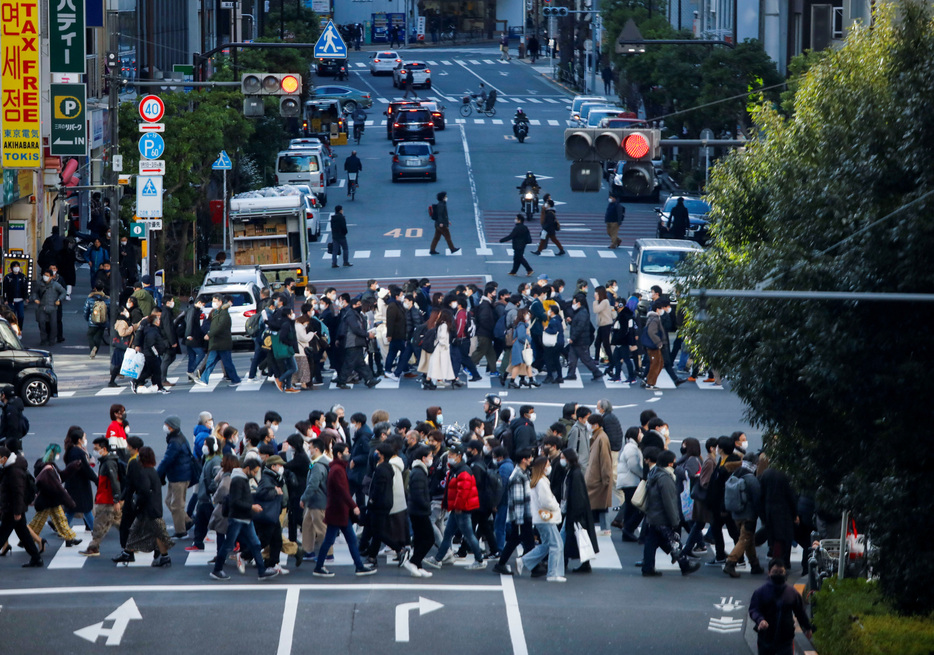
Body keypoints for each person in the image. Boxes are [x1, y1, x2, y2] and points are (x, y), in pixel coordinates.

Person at [209, 456, 279, 580]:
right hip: (237, 518)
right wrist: (252, 506)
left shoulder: (241, 478)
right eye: (255, 471)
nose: (255, 474)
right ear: (247, 468)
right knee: (229, 545)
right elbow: (235, 501)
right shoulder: (238, 481)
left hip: (245, 518)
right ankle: (217, 570)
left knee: (255, 544)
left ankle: (262, 571)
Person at [312, 442, 377, 577]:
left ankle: (359, 566)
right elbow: (342, 491)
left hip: (340, 512)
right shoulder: (337, 470)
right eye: (347, 452)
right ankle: (319, 567)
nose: (349, 454)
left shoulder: (338, 468)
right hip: (338, 512)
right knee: (330, 540)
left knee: (351, 539)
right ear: (339, 454)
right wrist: (354, 506)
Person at [423, 443, 487, 570]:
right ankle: (438, 559)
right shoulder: (456, 469)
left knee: (468, 535)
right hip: (456, 509)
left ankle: (479, 560)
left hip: (461, 509)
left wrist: (457, 508)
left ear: (459, 456)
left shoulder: (463, 472)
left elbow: (463, 493)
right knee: (448, 534)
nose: (449, 457)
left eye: (451, 455)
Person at [642, 450, 701, 577]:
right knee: (674, 542)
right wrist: (675, 520)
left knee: (652, 542)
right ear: (669, 463)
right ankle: (684, 564)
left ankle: (648, 567)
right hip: (662, 517)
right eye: (674, 462)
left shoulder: (654, 473)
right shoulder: (666, 479)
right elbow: (669, 502)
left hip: (653, 515)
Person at [515, 456, 565, 582]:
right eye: (547, 465)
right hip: (547, 518)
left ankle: (523, 560)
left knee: (547, 545)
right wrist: (556, 505)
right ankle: (553, 573)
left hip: (541, 518)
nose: (549, 467)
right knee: (556, 545)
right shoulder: (541, 482)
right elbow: (546, 501)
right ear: (542, 467)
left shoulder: (537, 481)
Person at [749, 559, 813, 655]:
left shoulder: (792, 593)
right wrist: (760, 620)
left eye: (781, 572)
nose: (778, 574)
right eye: (775, 572)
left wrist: (807, 627)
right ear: (769, 573)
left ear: (785, 573)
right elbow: (754, 609)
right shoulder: (760, 592)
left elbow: (800, 612)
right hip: (766, 638)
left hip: (786, 639)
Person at [125, 446, 174, 568]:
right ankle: (128, 552)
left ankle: (128, 552)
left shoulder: (144, 473)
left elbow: (144, 491)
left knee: (152, 533)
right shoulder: (153, 471)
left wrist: (137, 503)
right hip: (154, 508)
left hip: (148, 510)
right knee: (154, 533)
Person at [78, 438, 123, 557]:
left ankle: (93, 547)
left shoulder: (108, 463)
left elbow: (114, 482)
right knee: (120, 524)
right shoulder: (107, 461)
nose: (95, 451)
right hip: (108, 500)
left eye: (97, 449)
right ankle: (134, 543)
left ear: (104, 449)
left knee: (99, 525)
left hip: (106, 501)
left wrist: (116, 499)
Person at [0, 446, 43, 568]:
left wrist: (17, 511)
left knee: (2, 534)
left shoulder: (13, 472)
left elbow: (18, 493)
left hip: (12, 508)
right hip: (13, 507)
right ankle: (36, 558)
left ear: (4, 458)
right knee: (23, 534)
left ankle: (36, 558)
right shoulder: (8, 467)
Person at [723, 452, 764, 578]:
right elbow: (757, 498)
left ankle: (755, 565)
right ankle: (730, 562)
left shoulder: (735, 473)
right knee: (744, 539)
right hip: (749, 515)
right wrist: (762, 515)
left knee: (748, 539)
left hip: (736, 513)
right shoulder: (751, 478)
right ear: (755, 464)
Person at [156, 416, 195, 539]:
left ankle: (181, 532)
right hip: (176, 475)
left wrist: (157, 475)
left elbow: (167, 460)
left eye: (166, 425)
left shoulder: (175, 442)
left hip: (179, 477)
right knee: (169, 501)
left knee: (176, 505)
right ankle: (187, 521)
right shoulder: (177, 437)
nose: (165, 427)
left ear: (171, 427)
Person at [562, 448, 599, 573]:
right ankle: (581, 563)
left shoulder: (575, 473)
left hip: (576, 512)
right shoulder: (573, 471)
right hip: (576, 511)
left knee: (575, 537)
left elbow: (577, 495)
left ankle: (566, 561)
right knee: (578, 538)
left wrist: (576, 514)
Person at [195, 295, 242, 387]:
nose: (213, 303)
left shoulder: (223, 314)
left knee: (227, 363)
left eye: (215, 301)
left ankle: (235, 379)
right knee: (211, 362)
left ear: (220, 302)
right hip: (217, 343)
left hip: (222, 343)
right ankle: (204, 379)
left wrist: (209, 334)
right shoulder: (217, 312)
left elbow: (220, 327)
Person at [584, 414, 613, 535]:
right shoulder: (598, 437)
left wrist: (606, 478)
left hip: (598, 478)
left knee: (600, 503)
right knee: (600, 503)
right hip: (596, 478)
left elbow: (605, 461)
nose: (588, 425)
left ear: (596, 425)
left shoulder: (601, 438)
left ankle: (605, 528)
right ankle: (603, 528)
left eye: (589, 423)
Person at [566, 294, 604, 381]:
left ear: (578, 303)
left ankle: (596, 372)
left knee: (585, 359)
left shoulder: (582, 313)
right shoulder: (580, 312)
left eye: (574, 302)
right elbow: (577, 325)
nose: (573, 304)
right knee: (572, 358)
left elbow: (579, 328)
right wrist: (571, 322)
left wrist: (573, 338)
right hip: (578, 340)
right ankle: (571, 374)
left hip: (581, 341)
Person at [32, 269, 66, 346]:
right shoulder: (39, 284)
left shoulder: (55, 285)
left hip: (53, 307)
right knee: (42, 323)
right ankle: (43, 339)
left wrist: (59, 300)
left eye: (47, 276)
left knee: (53, 325)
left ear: (51, 277)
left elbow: (63, 292)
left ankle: (52, 340)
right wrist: (35, 299)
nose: (45, 277)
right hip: (42, 306)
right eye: (44, 275)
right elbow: (34, 292)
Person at [507, 308, 536, 388]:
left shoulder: (520, 325)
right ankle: (512, 381)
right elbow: (521, 337)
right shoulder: (522, 325)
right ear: (523, 315)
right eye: (526, 314)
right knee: (518, 364)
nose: (528, 315)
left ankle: (531, 380)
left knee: (526, 363)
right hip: (520, 346)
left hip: (520, 346)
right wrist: (528, 339)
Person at [82, 283, 110, 358]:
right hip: (103, 321)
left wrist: (87, 318)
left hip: (93, 321)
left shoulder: (90, 299)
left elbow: (86, 310)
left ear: (95, 288)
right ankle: (95, 350)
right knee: (99, 336)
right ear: (103, 289)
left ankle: (92, 347)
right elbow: (109, 311)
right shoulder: (107, 299)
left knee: (90, 334)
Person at [3, 260, 28, 328]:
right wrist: (5, 299)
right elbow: (5, 289)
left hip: (20, 300)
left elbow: (26, 288)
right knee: (11, 317)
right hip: (11, 300)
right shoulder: (8, 277)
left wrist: (26, 297)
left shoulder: (23, 277)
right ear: (11, 268)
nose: (16, 268)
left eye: (17, 266)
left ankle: (20, 329)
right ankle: (13, 329)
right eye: (15, 267)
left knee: (21, 316)